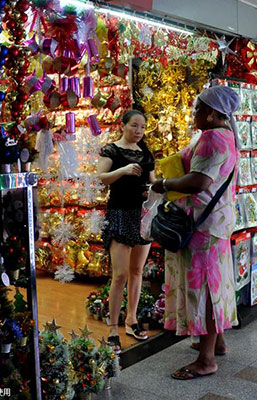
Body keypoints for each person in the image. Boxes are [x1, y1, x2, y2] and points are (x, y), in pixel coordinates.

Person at [151, 85, 240, 380]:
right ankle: (219, 343)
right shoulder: (225, 135)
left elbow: (199, 182)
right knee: (215, 287)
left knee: (204, 291)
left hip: (203, 226)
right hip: (215, 224)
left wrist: (165, 184)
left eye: (199, 108)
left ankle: (206, 360)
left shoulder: (213, 138)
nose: (194, 113)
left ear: (213, 113)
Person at [97, 109, 155, 354]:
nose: (139, 131)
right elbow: (101, 178)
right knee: (119, 274)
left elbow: (152, 182)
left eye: (142, 127)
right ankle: (112, 328)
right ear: (123, 125)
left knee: (137, 271)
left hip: (141, 216)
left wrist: (150, 191)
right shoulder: (111, 150)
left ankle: (131, 320)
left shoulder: (147, 153)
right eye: (134, 126)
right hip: (120, 214)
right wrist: (123, 170)